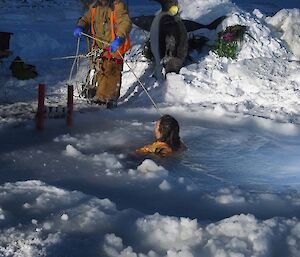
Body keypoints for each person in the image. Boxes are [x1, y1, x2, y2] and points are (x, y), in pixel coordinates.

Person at [73, 0, 132, 108]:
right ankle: (101, 96)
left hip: (115, 46)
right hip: (101, 46)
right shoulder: (95, 6)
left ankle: (108, 99)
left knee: (112, 71)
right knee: (102, 71)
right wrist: (80, 25)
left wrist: (119, 37)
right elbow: (86, 18)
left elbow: (125, 22)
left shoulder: (117, 5)